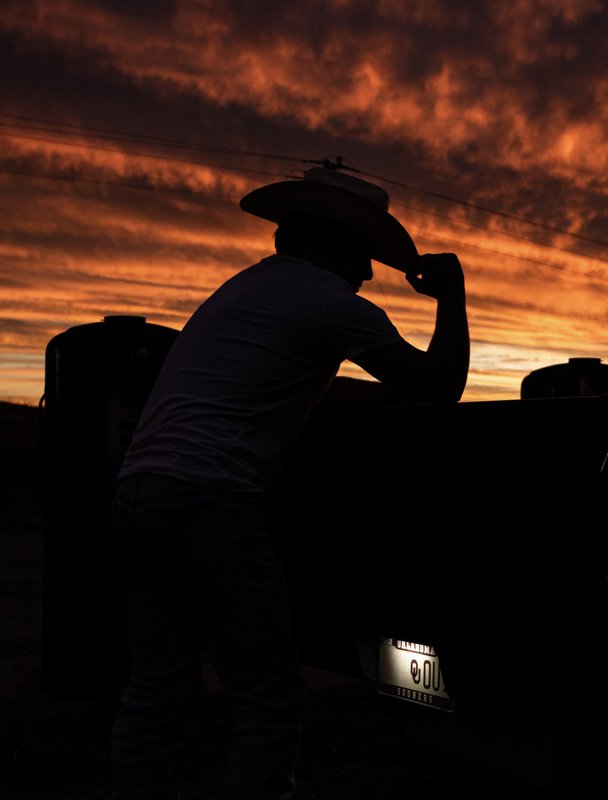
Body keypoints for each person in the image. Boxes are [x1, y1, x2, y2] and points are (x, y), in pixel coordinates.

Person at [109, 166, 468, 799]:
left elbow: (266, 379)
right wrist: (453, 297)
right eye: (363, 253)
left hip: (141, 488)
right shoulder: (330, 302)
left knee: (158, 685)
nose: (367, 271)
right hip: (211, 498)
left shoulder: (243, 290)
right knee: (270, 697)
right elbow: (439, 388)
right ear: (327, 241)